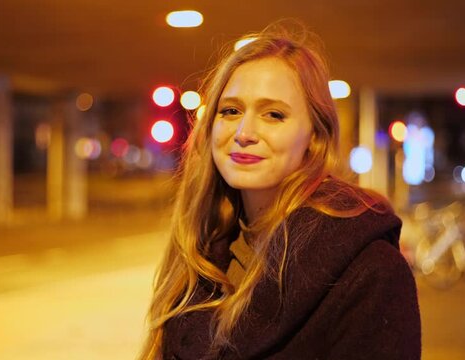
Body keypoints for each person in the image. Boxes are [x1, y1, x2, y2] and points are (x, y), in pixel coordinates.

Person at [140, 23, 421, 360]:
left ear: (314, 138)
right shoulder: (201, 251)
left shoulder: (371, 273)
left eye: (274, 115)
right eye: (230, 111)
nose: (244, 132)